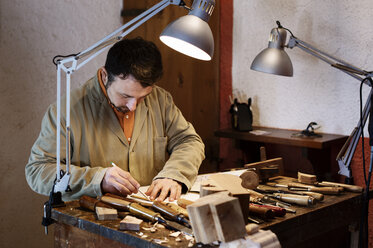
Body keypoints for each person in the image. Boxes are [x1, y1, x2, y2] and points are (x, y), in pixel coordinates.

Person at [25, 37, 205, 202]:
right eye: (125, 95)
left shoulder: (160, 100)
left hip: (150, 216)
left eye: (143, 97)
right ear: (104, 76)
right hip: (92, 221)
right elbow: (38, 171)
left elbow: (189, 141)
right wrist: (98, 179)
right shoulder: (66, 111)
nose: (133, 106)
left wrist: (173, 174)